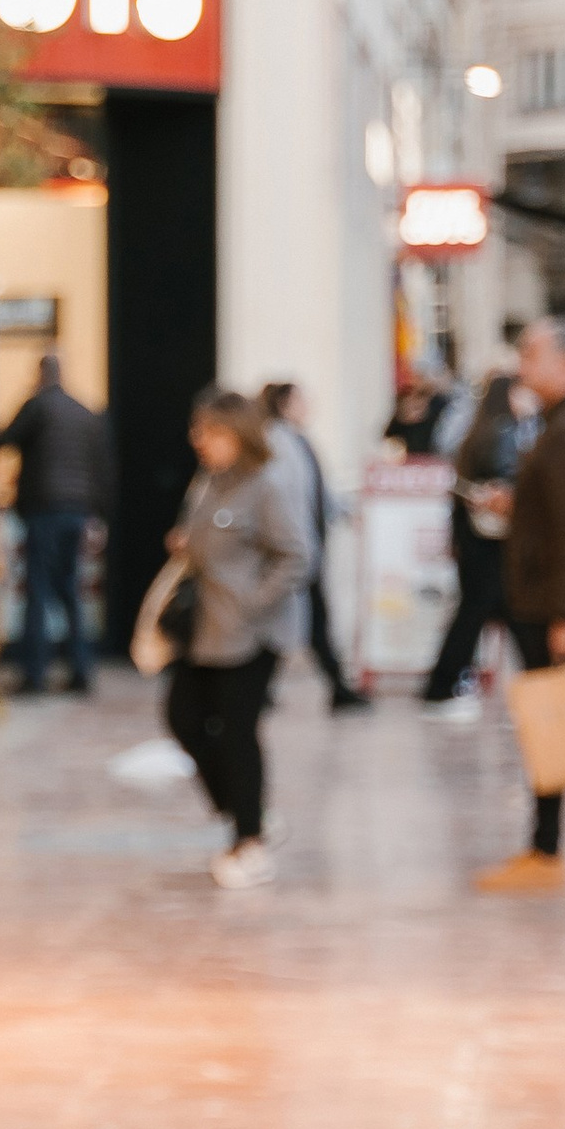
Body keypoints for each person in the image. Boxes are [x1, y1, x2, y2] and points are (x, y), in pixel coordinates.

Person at [162, 388, 306, 892]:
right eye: (197, 430)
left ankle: (251, 841)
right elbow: (198, 534)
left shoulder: (269, 483)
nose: (198, 441)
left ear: (236, 433)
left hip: (252, 635)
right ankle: (247, 811)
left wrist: (253, 603)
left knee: (239, 732)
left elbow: (295, 555)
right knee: (183, 716)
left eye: (210, 431)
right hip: (206, 629)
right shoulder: (209, 483)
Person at [476, 315, 565, 894]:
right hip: (544, 598)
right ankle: (542, 848)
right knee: (544, 723)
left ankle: (545, 852)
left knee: (552, 723)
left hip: (553, 604)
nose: (521, 368)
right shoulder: (560, 422)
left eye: (532, 356)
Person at [0, 349, 111, 694]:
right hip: (78, 510)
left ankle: (35, 673)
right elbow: (102, 469)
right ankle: (81, 670)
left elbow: (4, 440)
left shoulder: (38, 406)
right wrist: (98, 515)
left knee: (38, 590)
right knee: (70, 590)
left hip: (44, 508)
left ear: (40, 375)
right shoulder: (86, 414)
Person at [422, 362, 531, 719]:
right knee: (481, 610)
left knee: (484, 610)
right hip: (489, 542)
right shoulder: (501, 432)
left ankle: (447, 682)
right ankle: (443, 684)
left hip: (475, 540)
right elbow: (504, 484)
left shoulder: (479, 430)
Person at [261, 382, 369, 712]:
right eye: (300, 400)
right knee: (307, 621)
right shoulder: (276, 443)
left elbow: (316, 494)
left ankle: (270, 686)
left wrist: (345, 511)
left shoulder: (298, 441)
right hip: (297, 550)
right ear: (283, 404)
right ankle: (337, 687)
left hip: (309, 548)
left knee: (304, 621)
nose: (308, 405)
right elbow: (285, 499)